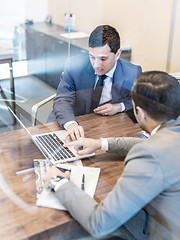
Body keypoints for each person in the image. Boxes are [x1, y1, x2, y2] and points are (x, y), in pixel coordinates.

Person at [44, 71, 180, 240]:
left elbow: (99, 223)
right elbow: (152, 146)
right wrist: (100, 143)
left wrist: (58, 182)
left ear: (140, 113)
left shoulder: (150, 155)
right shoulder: (169, 136)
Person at [47, 25, 142, 140]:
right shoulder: (74, 65)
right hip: (72, 120)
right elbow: (62, 99)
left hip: (106, 127)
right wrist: (71, 124)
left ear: (117, 54)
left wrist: (119, 107)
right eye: (92, 57)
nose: (96, 65)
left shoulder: (132, 72)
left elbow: (140, 102)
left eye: (103, 59)